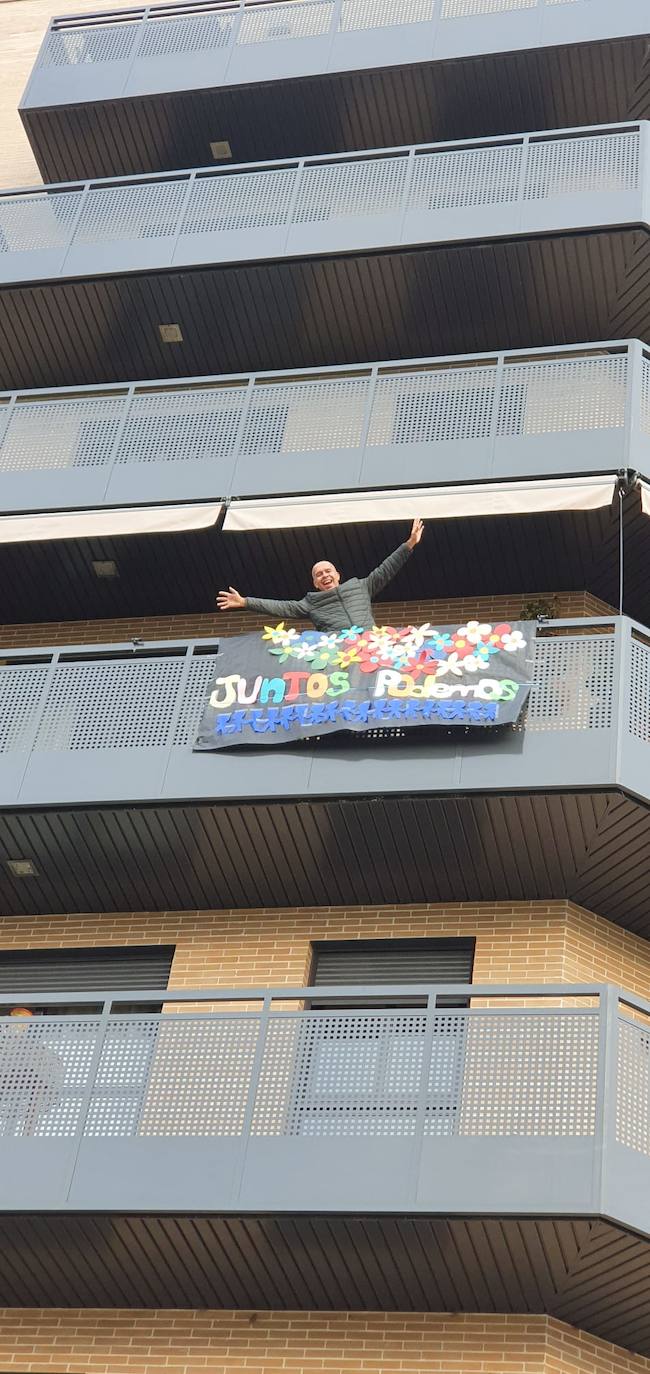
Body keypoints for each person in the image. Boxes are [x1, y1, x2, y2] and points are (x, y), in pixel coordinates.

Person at [216, 519, 424, 632]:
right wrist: (245, 601)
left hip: (369, 645)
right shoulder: (311, 603)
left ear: (337, 575)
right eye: (319, 574)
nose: (324, 575)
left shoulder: (361, 586)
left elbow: (386, 569)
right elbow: (281, 607)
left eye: (327, 571)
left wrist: (409, 544)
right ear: (315, 583)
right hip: (338, 654)